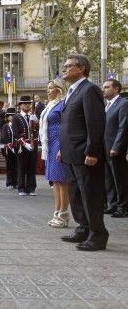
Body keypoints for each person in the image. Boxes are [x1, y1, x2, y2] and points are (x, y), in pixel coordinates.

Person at [59, 54, 109, 251]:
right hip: (71, 153)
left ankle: (98, 235)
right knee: (76, 194)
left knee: (90, 194)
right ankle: (83, 227)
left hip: (85, 154)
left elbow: (95, 123)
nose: (64, 69)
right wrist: (63, 150)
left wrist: (93, 151)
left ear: (81, 68)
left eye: (68, 66)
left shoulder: (90, 90)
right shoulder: (72, 91)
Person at [39, 79, 70, 227]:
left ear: (59, 90)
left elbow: (67, 127)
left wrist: (63, 148)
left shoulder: (63, 104)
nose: (48, 91)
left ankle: (63, 215)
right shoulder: (50, 105)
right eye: (48, 88)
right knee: (55, 181)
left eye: (51, 88)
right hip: (50, 144)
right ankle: (57, 212)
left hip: (59, 142)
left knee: (62, 180)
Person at [102, 79, 128, 218]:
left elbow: (123, 127)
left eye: (107, 87)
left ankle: (123, 207)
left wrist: (117, 146)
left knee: (120, 178)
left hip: (115, 149)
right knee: (108, 178)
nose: (104, 90)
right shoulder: (106, 106)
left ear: (116, 89)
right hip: (104, 148)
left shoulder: (123, 104)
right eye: (103, 87)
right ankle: (112, 204)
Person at [12, 95, 39, 196]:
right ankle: (21, 187)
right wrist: (24, 143)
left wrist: (36, 122)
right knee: (21, 167)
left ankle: (31, 188)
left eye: (28, 104)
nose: (27, 106)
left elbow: (37, 131)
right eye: (25, 104)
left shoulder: (33, 116)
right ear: (20, 106)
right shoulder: (16, 117)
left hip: (33, 144)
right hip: (21, 146)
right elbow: (15, 133)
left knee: (32, 167)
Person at [0, 108, 18, 190]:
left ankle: (16, 182)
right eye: (11, 116)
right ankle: (9, 182)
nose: (13, 117)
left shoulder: (18, 126)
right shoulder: (5, 126)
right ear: (7, 117)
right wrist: (10, 145)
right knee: (10, 166)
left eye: (14, 115)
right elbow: (3, 138)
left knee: (17, 166)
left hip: (18, 148)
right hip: (9, 149)